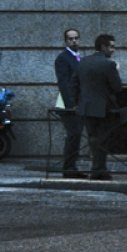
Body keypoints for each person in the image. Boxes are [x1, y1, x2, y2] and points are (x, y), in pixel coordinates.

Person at [70, 34, 123, 181]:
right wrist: (116, 71)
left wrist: (77, 102)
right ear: (103, 47)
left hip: (86, 107)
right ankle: (99, 170)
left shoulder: (83, 62)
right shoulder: (109, 64)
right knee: (103, 140)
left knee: (93, 139)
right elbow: (117, 87)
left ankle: (98, 169)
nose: (113, 50)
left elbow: (73, 84)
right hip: (104, 108)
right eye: (111, 46)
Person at [53, 28, 85, 178]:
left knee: (76, 135)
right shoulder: (63, 58)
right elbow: (64, 83)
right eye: (71, 39)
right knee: (73, 134)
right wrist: (71, 104)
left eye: (76, 38)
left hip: (78, 103)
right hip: (69, 105)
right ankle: (69, 167)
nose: (74, 41)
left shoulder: (78, 57)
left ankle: (72, 166)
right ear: (66, 41)